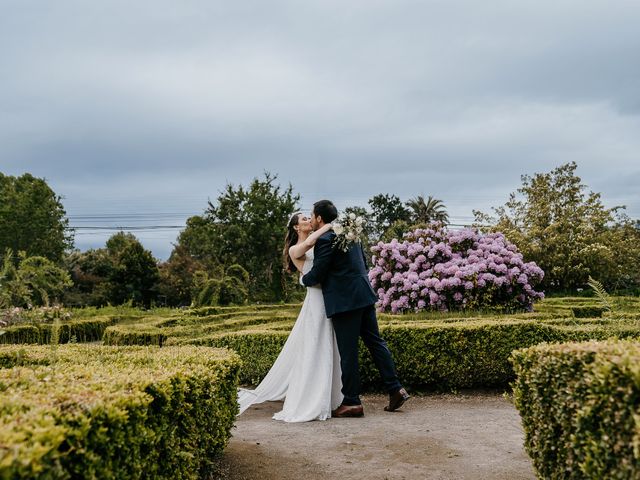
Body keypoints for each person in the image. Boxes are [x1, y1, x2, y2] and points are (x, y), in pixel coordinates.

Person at [301, 200, 409, 417]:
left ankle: (352, 401)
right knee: (376, 343)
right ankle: (395, 388)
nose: (311, 220)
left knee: (348, 353)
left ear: (320, 218)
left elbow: (319, 273)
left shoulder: (325, 239)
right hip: (363, 294)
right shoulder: (352, 235)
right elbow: (364, 264)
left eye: (312, 216)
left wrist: (303, 279)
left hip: (345, 301)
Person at [237, 212, 343, 422]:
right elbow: (311, 243)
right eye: (303, 219)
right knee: (315, 347)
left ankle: (332, 398)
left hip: (328, 298)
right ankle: (311, 399)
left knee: (330, 346)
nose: (308, 221)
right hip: (316, 300)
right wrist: (332, 225)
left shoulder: (320, 243)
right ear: (296, 228)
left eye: (308, 217)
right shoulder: (296, 249)